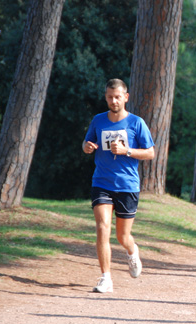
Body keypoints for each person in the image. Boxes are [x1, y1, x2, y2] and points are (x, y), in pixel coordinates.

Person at [82, 78, 155, 293]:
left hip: (127, 185)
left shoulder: (136, 123)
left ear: (126, 97)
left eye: (117, 97)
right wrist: (87, 147)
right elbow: (87, 144)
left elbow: (150, 152)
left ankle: (132, 251)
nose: (113, 101)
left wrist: (127, 151)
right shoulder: (98, 121)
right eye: (109, 97)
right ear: (105, 98)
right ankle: (106, 278)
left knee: (122, 236)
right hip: (102, 182)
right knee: (102, 227)